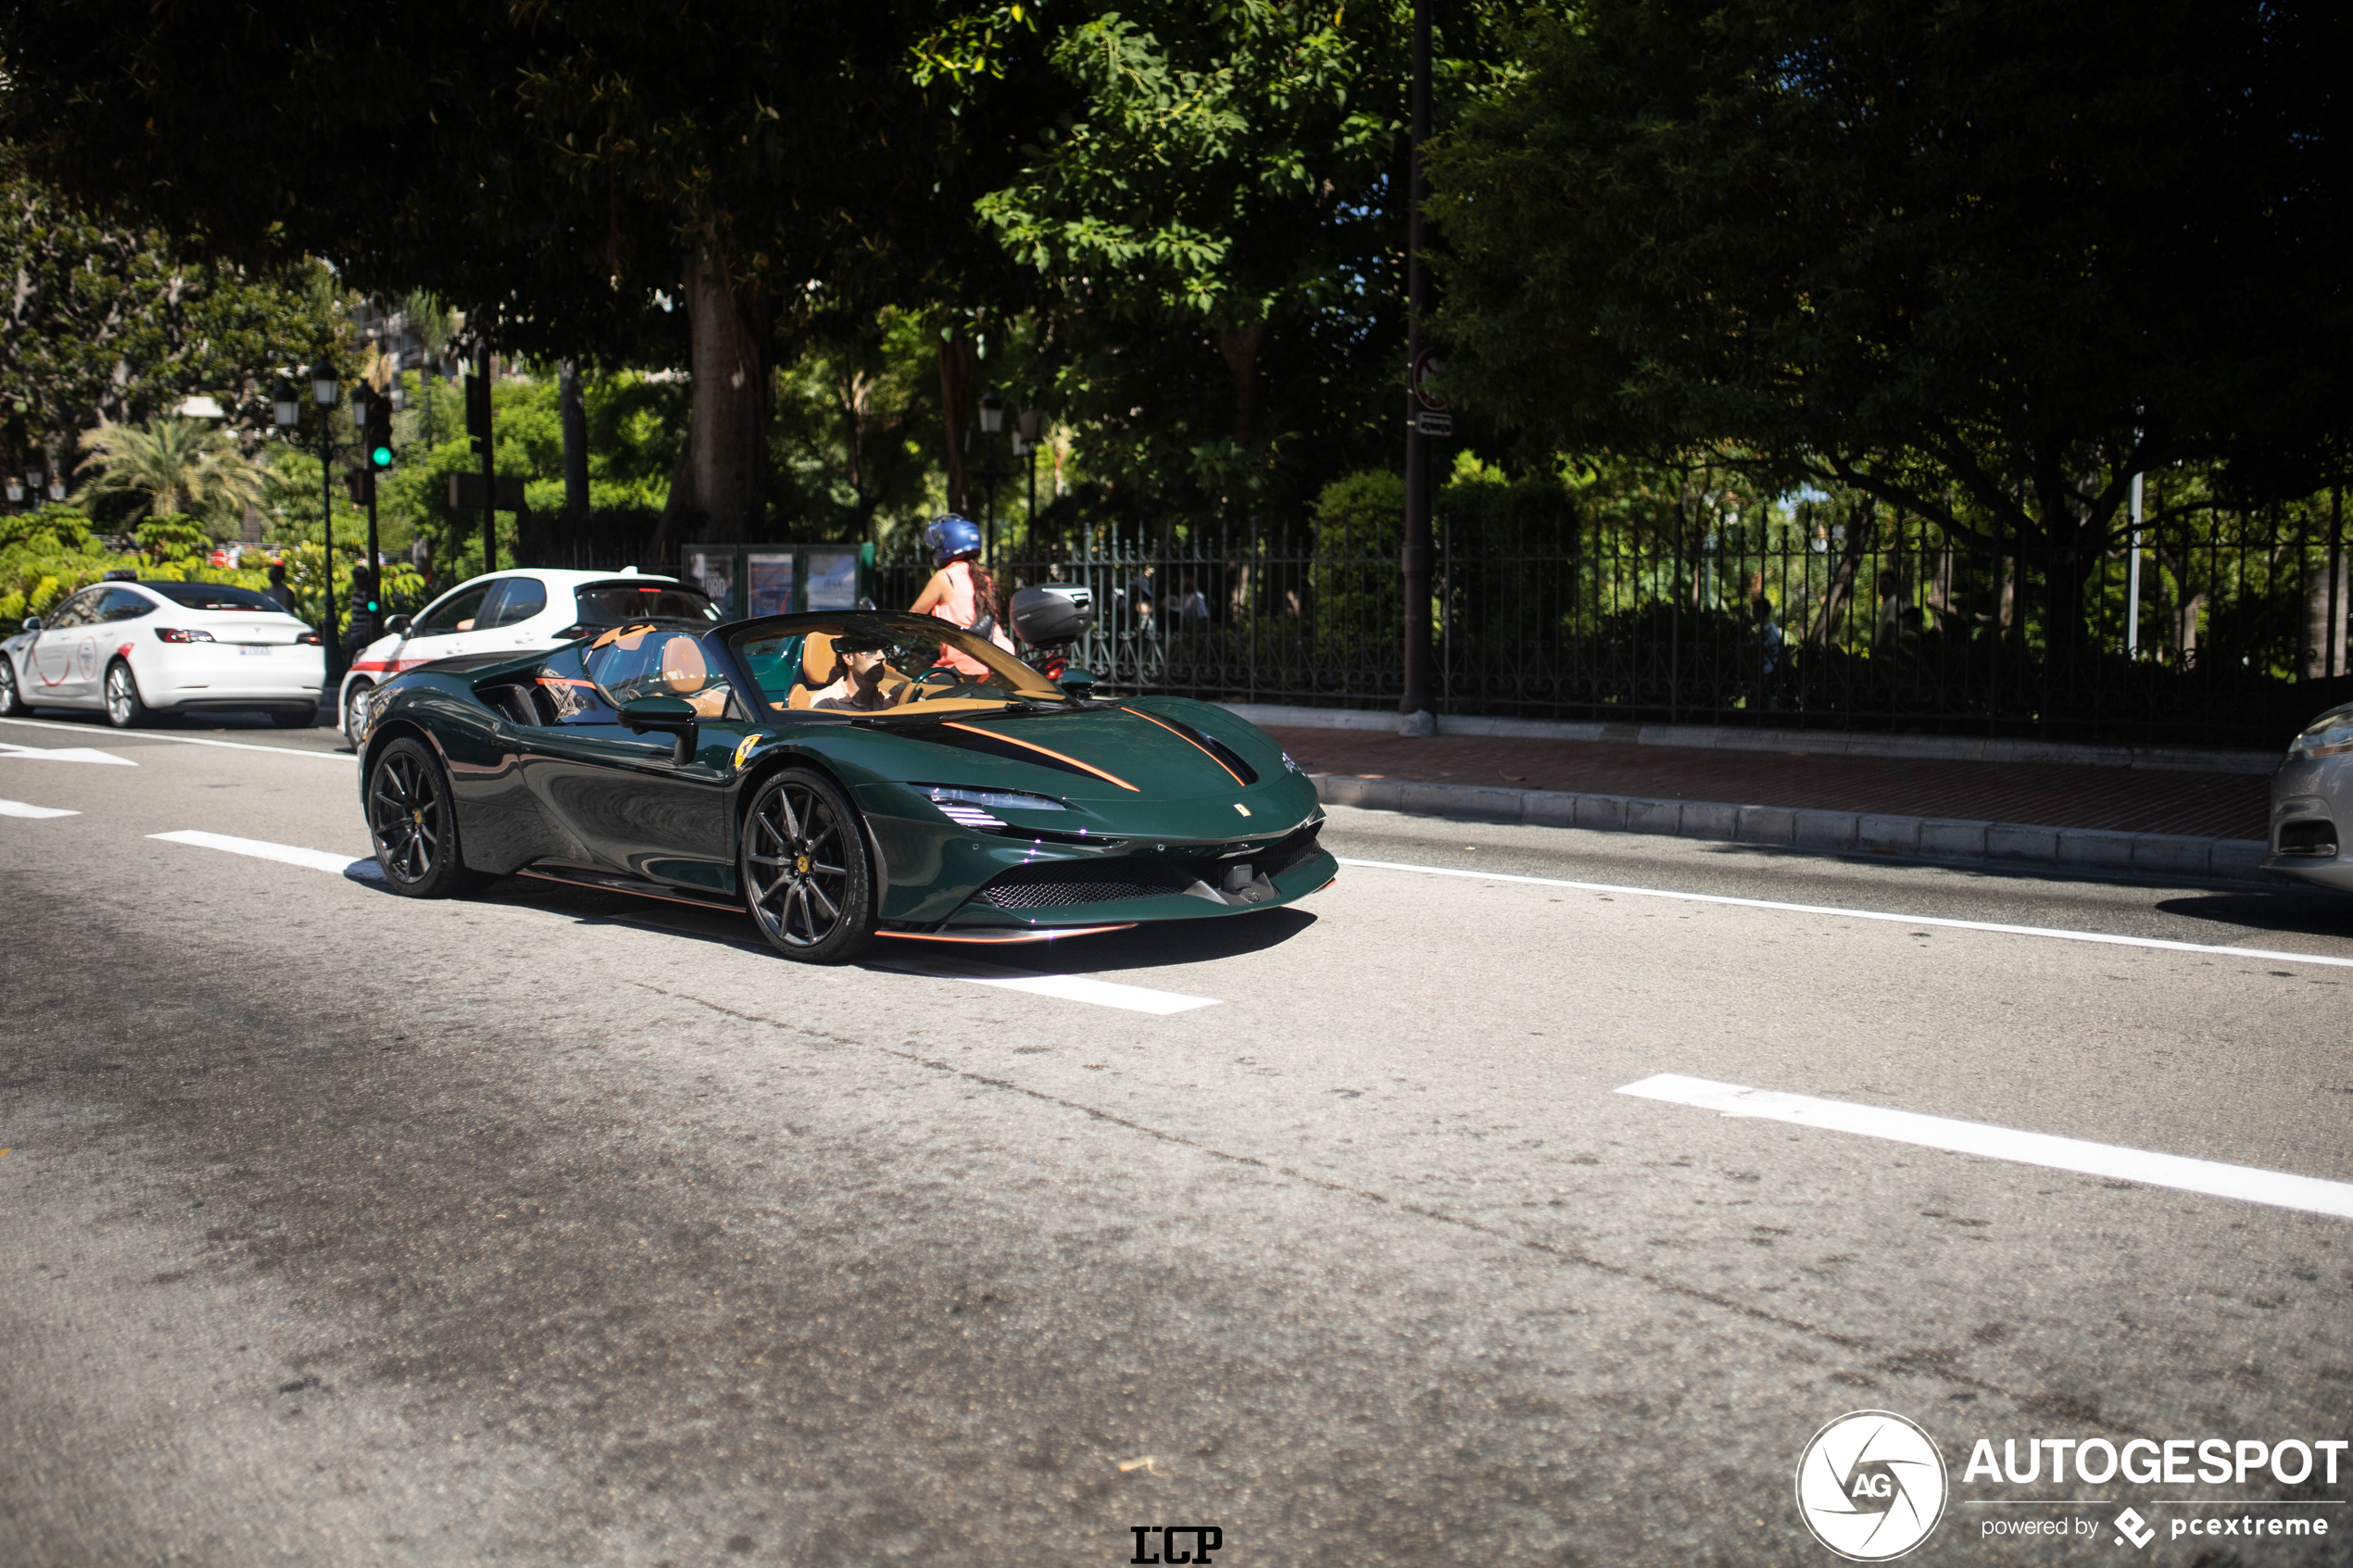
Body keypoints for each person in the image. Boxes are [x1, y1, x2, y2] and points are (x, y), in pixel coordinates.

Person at [910, 514, 1014, 677]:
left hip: (965, 664)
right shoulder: (984, 579)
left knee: (913, 689)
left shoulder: (945, 577)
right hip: (1001, 660)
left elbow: (913, 618)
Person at [809, 645, 900, 711]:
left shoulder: (887, 703)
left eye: (885, 650)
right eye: (870, 651)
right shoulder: (826, 704)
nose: (882, 657)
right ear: (848, 657)